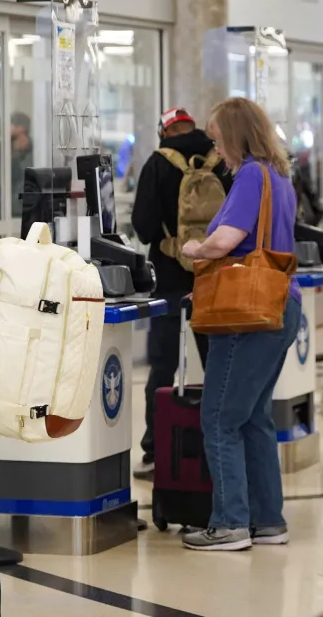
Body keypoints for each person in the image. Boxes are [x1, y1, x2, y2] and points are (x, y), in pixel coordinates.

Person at [180, 97, 300, 552]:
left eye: (218, 140)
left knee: (218, 419)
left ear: (235, 136)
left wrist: (195, 249)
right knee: (253, 419)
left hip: (246, 317)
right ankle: (268, 520)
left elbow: (226, 241)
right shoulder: (280, 176)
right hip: (280, 305)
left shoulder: (251, 174)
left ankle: (229, 523)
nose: (216, 152)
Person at [130, 107, 232, 479]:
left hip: (169, 281)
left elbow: (142, 226)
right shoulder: (221, 160)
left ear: (164, 131)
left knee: (162, 368)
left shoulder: (158, 163)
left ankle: (156, 450)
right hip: (213, 278)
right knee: (216, 365)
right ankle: (216, 447)